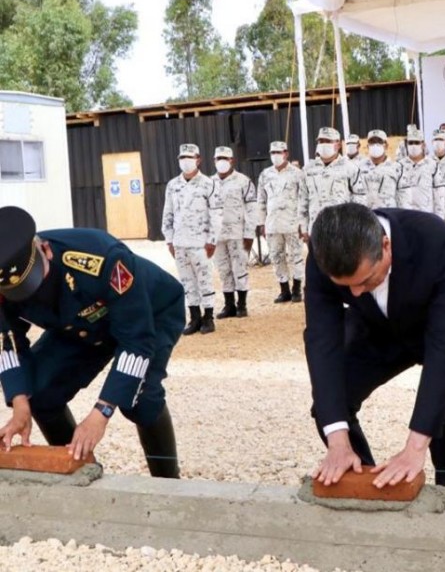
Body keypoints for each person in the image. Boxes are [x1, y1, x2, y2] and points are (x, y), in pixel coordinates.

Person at [305, 203, 445, 490]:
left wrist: (414, 449)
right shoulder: (324, 255)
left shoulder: (438, 241)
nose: (355, 293)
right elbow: (322, 341)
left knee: (444, 414)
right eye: (347, 287)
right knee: (330, 407)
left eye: (365, 280)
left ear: (386, 245)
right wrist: (337, 441)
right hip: (380, 328)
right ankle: (370, 482)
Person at [0, 206, 183, 478]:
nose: (32, 293)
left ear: (44, 249)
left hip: (149, 313)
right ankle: (80, 473)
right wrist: (20, 401)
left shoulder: (101, 256)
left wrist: (101, 412)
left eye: (35, 282)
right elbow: (8, 340)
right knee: (41, 393)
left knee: (140, 398)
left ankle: (169, 485)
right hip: (79, 325)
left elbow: (136, 341)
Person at [162, 143, 221, 335]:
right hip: (180, 243)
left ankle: (208, 317)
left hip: (200, 243)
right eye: (182, 158)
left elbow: (216, 214)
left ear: (198, 159)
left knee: (204, 280)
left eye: (189, 157)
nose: (186, 161)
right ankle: (194, 317)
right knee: (187, 282)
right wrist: (169, 240)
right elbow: (168, 214)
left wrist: (212, 240)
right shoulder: (173, 185)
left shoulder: (209, 184)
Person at [211, 146, 258, 319]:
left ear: (232, 161)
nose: (221, 161)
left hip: (238, 234)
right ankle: (229, 305)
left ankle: (242, 305)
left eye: (225, 158)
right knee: (223, 270)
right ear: (214, 161)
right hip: (218, 236)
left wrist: (249, 234)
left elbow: (252, 209)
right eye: (218, 158)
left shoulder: (243, 181)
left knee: (239, 268)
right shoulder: (209, 183)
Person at [298, 127, 367, 242]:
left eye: (328, 141)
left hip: (342, 230)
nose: (323, 144)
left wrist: (355, 226)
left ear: (338, 145)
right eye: (321, 141)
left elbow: (360, 199)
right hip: (316, 230)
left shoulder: (350, 168)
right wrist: (304, 227)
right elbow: (303, 200)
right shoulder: (308, 170)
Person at [257, 141, 305, 304]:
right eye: (273, 153)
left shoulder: (297, 174)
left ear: (286, 153)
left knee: (295, 256)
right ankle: (284, 290)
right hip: (272, 224)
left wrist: (302, 222)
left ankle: (297, 289)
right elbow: (261, 201)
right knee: (276, 256)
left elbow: (303, 199)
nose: (275, 156)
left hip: (293, 223)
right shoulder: (265, 174)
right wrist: (262, 223)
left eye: (279, 152)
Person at [396, 128, 444, 215]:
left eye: (417, 143)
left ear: (423, 145)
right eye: (410, 143)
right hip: (405, 216)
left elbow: (439, 194)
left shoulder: (433, 165)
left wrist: (439, 218)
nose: (413, 146)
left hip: (426, 215)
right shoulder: (399, 166)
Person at [360, 129, 399, 209]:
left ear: (386, 145)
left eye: (379, 142)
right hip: (366, 216)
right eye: (372, 142)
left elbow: (402, 196)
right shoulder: (359, 168)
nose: (375, 145)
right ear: (367, 146)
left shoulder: (396, 168)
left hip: (388, 215)